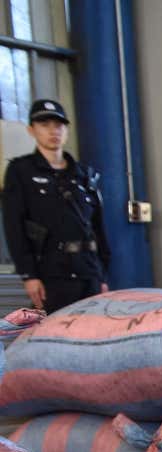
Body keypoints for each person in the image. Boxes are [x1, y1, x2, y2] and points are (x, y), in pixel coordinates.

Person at [2, 99, 111, 314]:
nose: (53, 131)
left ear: (66, 130)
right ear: (31, 130)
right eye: (45, 125)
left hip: (88, 271)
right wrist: (29, 275)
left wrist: (102, 275)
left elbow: (98, 228)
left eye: (58, 125)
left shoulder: (84, 175)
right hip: (51, 273)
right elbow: (13, 226)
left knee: (92, 334)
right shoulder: (21, 171)